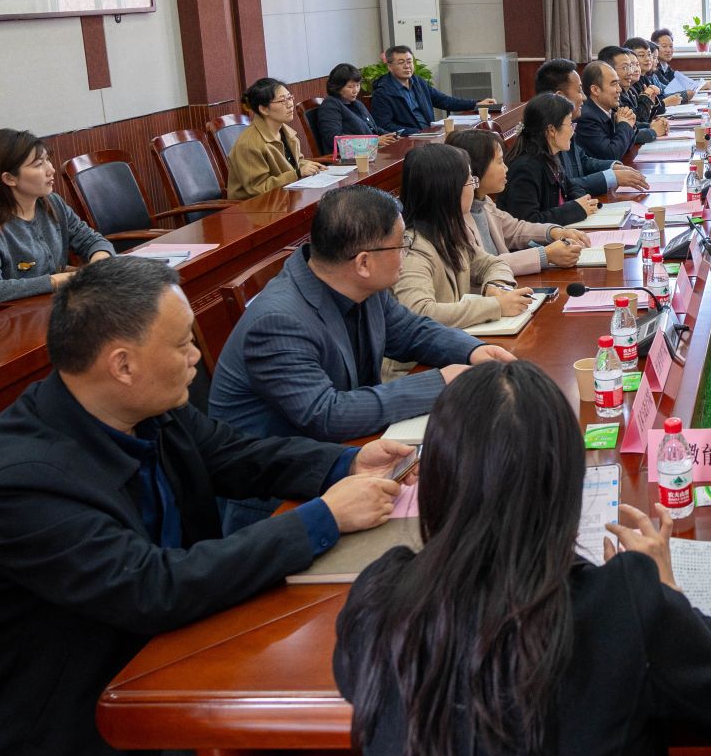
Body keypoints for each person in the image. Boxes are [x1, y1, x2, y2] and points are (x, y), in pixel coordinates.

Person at [0, 258, 416, 756]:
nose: (196, 356)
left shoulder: (144, 409)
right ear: (122, 364)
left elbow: (236, 455)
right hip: (48, 720)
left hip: (150, 653)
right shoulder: (21, 481)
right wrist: (323, 517)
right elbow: (151, 588)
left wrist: (345, 462)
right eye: (182, 343)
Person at [334, 361, 711, 756]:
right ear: (567, 488)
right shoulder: (623, 602)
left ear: (438, 481)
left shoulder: (376, 600)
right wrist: (668, 590)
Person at [209, 187, 514, 526]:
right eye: (401, 245)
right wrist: (439, 382)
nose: (405, 253)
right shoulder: (278, 322)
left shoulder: (358, 286)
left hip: (353, 459)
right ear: (364, 263)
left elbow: (410, 331)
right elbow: (327, 414)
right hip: (283, 505)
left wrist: (472, 350)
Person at [388, 145, 533, 365]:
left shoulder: (449, 231)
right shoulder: (412, 248)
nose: (474, 187)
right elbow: (420, 313)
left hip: (453, 349)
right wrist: (496, 306)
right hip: (419, 366)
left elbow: (492, 264)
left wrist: (495, 286)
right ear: (447, 190)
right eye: (470, 181)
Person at [0, 128, 114, 319]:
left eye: (47, 159)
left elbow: (93, 241)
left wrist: (97, 265)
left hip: (42, 313)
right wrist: (59, 280)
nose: (51, 170)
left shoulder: (52, 203)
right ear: (9, 178)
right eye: (38, 164)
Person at [448, 129, 587, 275]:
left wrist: (553, 232)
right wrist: (545, 255)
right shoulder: (454, 220)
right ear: (476, 167)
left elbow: (515, 229)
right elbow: (481, 266)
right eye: (500, 161)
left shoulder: (484, 202)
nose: (506, 168)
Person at [534, 58, 647, 193]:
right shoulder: (543, 138)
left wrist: (613, 167)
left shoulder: (566, 125)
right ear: (560, 97)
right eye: (579, 91)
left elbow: (582, 161)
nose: (584, 97)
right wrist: (611, 177)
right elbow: (563, 186)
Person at [505, 94, 600, 227]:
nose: (573, 131)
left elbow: (570, 186)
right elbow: (528, 222)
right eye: (570, 124)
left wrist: (582, 200)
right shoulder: (525, 169)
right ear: (552, 130)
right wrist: (575, 209)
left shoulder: (549, 155)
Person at [226, 77, 323, 200]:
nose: (290, 104)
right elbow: (258, 189)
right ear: (263, 109)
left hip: (285, 198)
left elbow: (296, 163)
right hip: (257, 207)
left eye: (290, 97)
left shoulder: (285, 132)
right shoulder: (249, 144)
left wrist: (312, 166)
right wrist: (297, 173)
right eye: (282, 100)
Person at [369, 45, 494, 134]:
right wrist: (417, 133)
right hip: (409, 139)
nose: (407, 66)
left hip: (429, 134)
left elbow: (444, 100)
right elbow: (384, 125)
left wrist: (476, 104)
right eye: (401, 62)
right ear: (390, 66)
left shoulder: (418, 82)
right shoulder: (383, 92)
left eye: (409, 61)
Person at [310, 62, 398, 155]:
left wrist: (390, 136)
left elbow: (373, 129)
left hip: (369, 153)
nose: (355, 90)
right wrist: (374, 142)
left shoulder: (356, 103)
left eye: (358, 85)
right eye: (350, 87)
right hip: (347, 158)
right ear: (337, 87)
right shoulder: (330, 106)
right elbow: (335, 139)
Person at [575, 57, 643, 161]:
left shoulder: (611, 110)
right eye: (614, 84)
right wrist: (624, 124)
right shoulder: (587, 118)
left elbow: (625, 146)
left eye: (618, 84)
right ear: (595, 90)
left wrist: (630, 124)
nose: (619, 89)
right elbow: (611, 155)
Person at [649, 28, 700, 104]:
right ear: (654, 48)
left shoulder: (666, 66)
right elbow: (665, 90)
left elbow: (681, 82)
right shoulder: (653, 68)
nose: (668, 50)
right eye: (664, 46)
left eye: (671, 46)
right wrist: (685, 94)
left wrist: (698, 85)